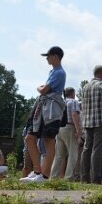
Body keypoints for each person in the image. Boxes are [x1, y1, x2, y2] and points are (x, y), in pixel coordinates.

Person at [21, 46, 66, 183]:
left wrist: (39, 88)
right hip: (43, 109)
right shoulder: (53, 72)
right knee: (30, 137)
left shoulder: (59, 73)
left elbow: (45, 89)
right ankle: (37, 171)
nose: (47, 58)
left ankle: (44, 175)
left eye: (49, 55)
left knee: (49, 140)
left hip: (51, 110)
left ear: (56, 57)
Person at [79, 65, 102, 184]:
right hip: (101, 121)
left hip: (87, 122)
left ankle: (84, 178)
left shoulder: (85, 87)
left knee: (87, 149)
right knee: (98, 150)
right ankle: (96, 178)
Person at [51, 87, 82, 180]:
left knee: (59, 155)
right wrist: (78, 130)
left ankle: (53, 176)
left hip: (59, 128)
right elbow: (74, 114)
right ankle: (68, 177)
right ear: (73, 93)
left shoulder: (61, 102)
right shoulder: (73, 102)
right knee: (73, 153)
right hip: (69, 127)